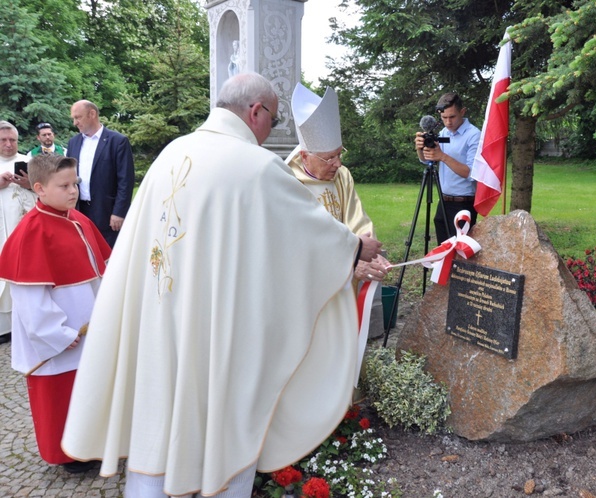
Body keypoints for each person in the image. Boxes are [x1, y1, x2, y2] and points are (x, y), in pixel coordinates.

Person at [61, 72, 382, 498]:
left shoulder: (172, 153)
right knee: (222, 427)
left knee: (157, 423)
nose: (272, 130)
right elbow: (307, 235)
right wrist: (355, 247)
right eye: (274, 118)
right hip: (217, 330)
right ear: (255, 112)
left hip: (159, 319)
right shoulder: (255, 165)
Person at [0, 154, 111, 473]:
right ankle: (68, 455)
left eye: (75, 183)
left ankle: (92, 443)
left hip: (89, 332)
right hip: (60, 337)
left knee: (89, 390)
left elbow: (101, 272)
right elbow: (30, 299)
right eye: (64, 185)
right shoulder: (31, 232)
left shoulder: (79, 220)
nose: (73, 191)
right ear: (40, 189)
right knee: (60, 396)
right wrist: (59, 335)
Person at [286, 82, 390, 284]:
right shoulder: (288, 182)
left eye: (339, 154)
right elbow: (298, 242)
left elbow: (356, 219)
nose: (338, 163)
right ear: (305, 156)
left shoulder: (342, 175)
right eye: (330, 158)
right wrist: (350, 260)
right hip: (309, 283)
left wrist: (369, 253)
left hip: (345, 280)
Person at [414, 92, 481, 243]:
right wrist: (420, 148)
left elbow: (470, 173)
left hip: (464, 203)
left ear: (462, 112)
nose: (448, 122)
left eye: (452, 117)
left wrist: (442, 156)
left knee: (461, 256)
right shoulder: (445, 132)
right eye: (444, 118)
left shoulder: (474, 135)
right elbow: (427, 160)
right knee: (444, 252)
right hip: (443, 201)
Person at [67, 100, 135, 247]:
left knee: (108, 256)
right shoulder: (73, 142)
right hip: (79, 210)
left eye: (78, 117)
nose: (75, 123)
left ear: (92, 114)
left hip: (107, 212)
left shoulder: (117, 141)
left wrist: (119, 212)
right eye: (73, 118)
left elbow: (126, 180)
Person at [0, 121, 37, 344]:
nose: (8, 144)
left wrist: (30, 184)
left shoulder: (30, 162)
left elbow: (48, 189)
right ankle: (4, 328)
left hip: (23, 231)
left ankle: (24, 323)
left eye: (12, 139)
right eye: (3, 140)